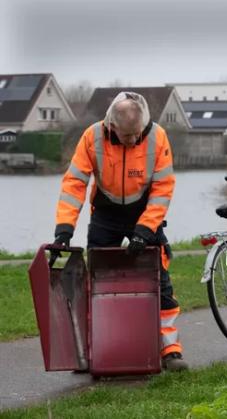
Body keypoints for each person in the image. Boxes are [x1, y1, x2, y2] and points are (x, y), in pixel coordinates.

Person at [53, 92, 188, 371]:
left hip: (144, 211)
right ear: (111, 126)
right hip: (106, 212)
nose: (132, 140)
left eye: (136, 134)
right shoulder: (92, 137)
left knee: (161, 280)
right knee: (95, 282)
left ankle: (170, 350)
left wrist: (145, 230)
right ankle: (92, 351)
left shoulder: (157, 137)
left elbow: (163, 189)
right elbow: (74, 184)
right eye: (127, 136)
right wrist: (64, 230)